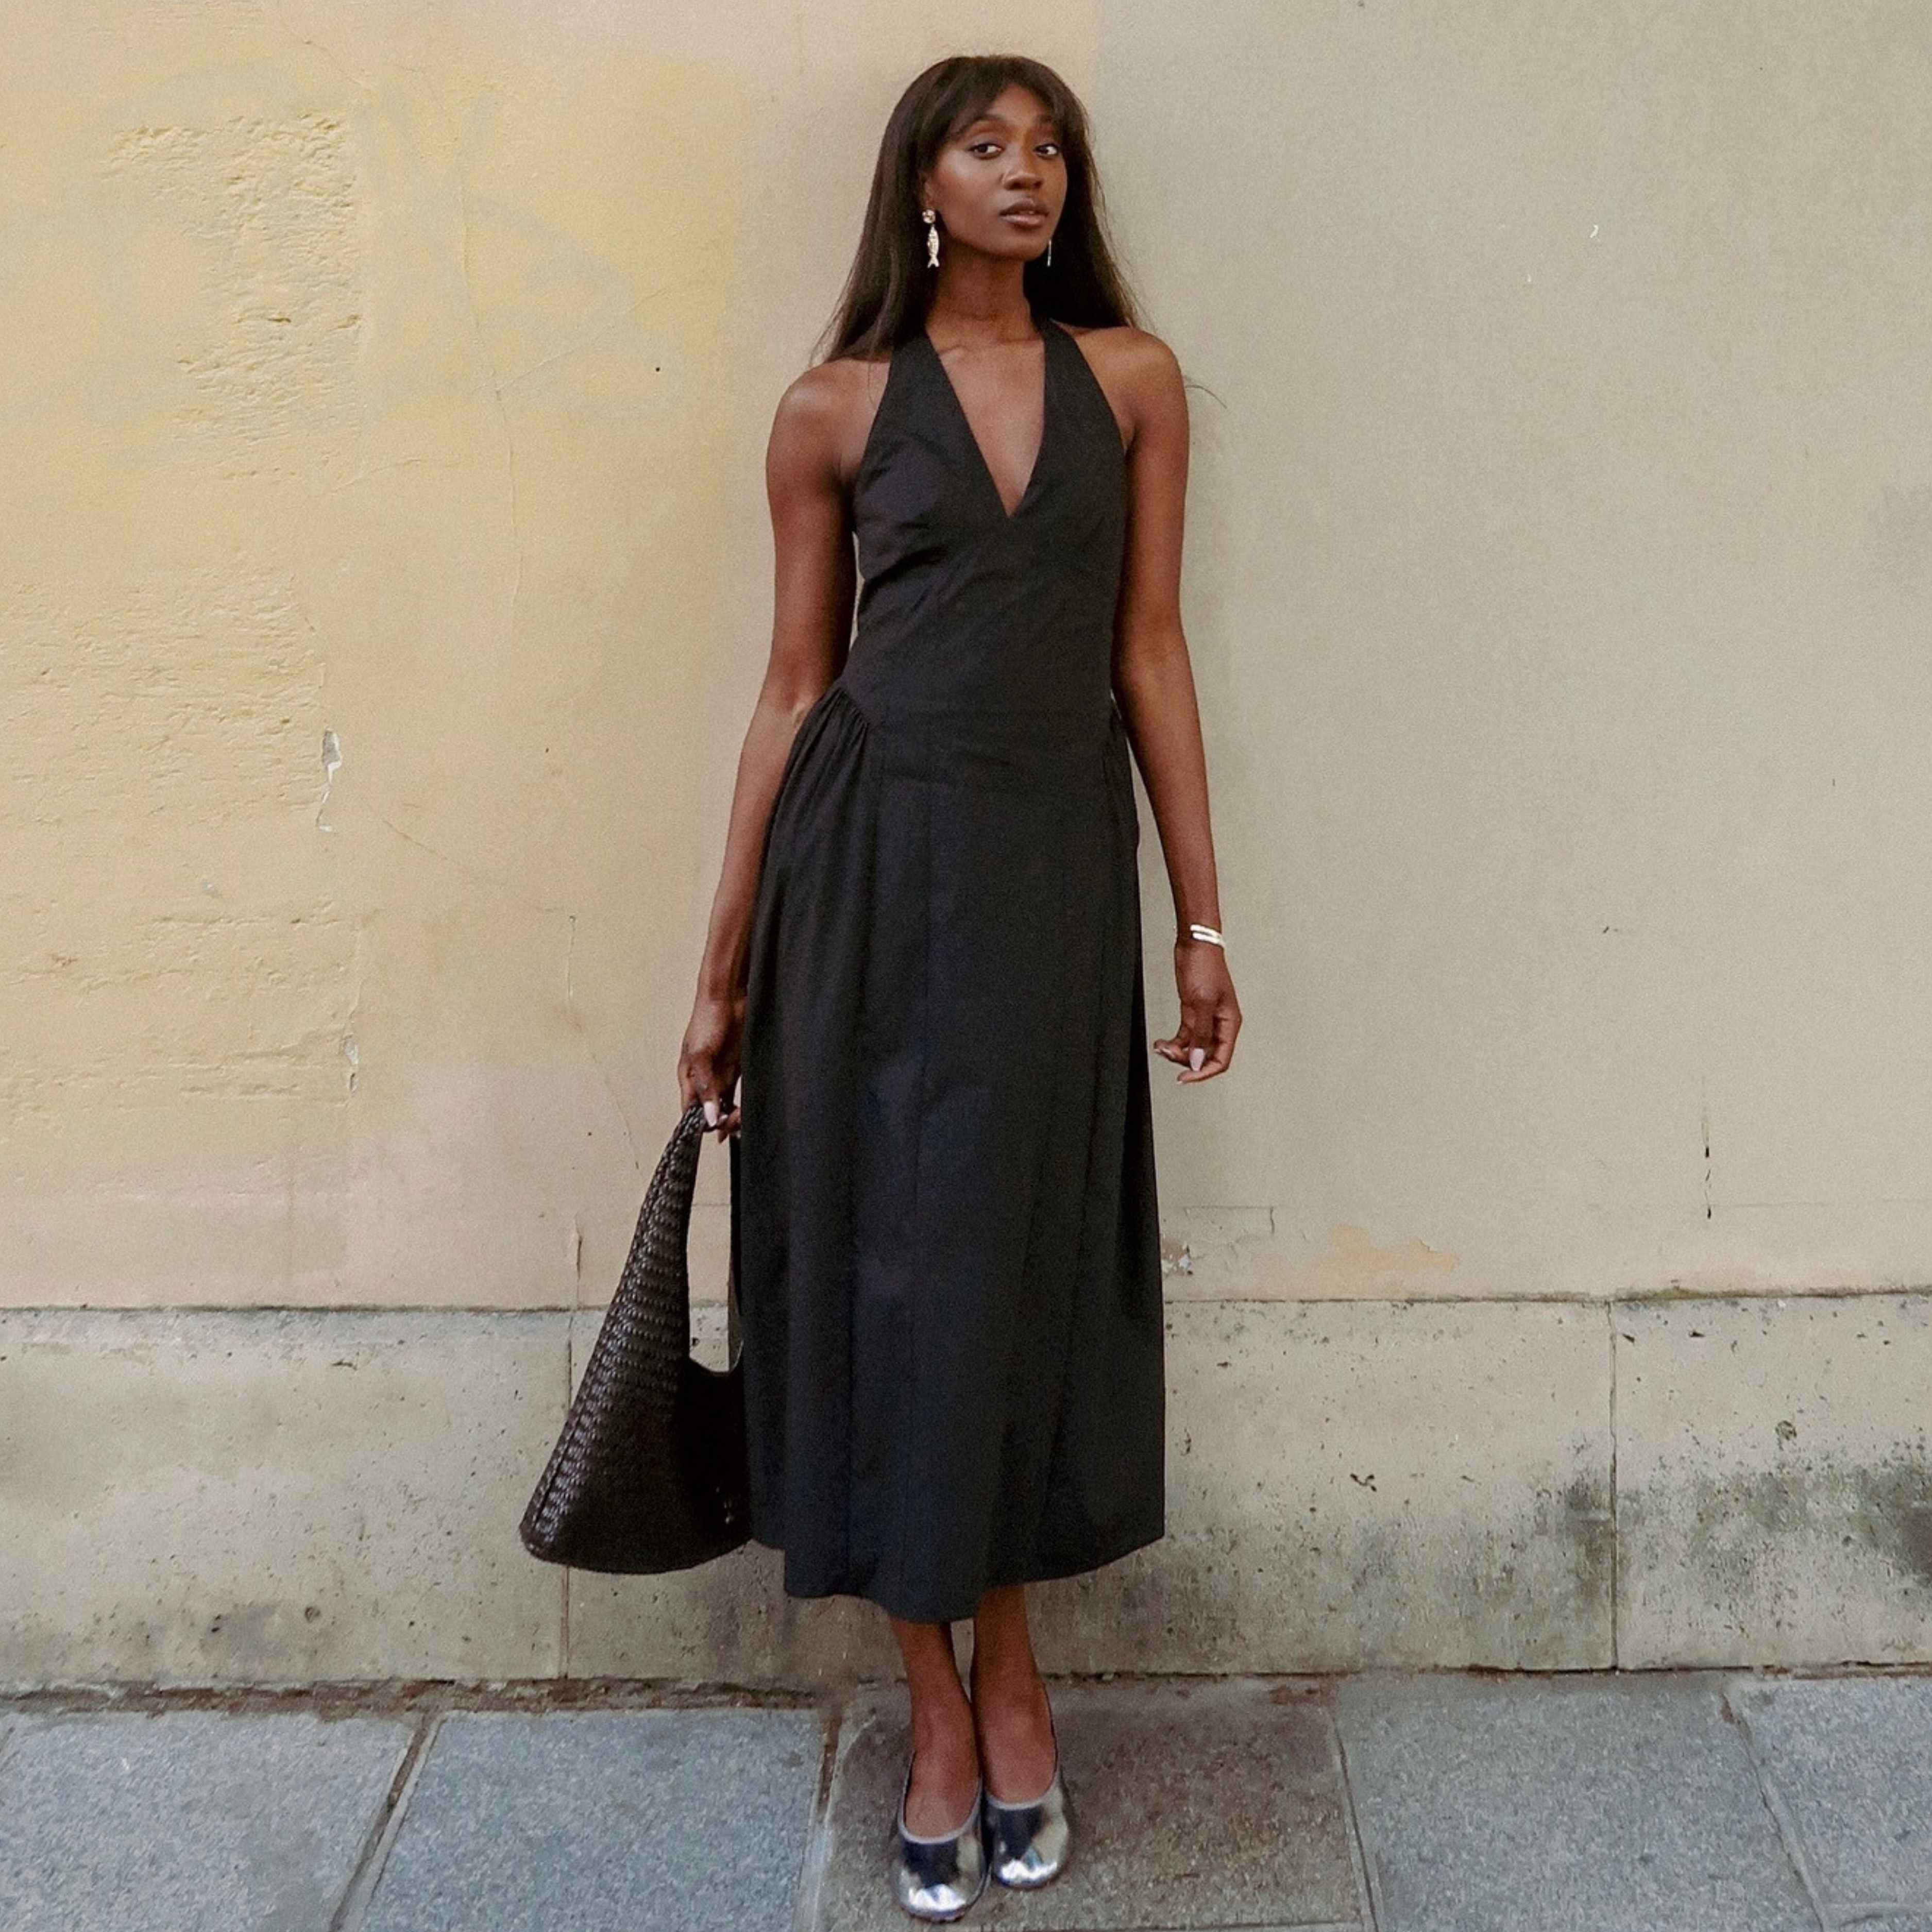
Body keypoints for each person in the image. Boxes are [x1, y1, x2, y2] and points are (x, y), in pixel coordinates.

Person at [678, 53, 1240, 1922]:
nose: (1030, 171)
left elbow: (1148, 650)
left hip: (1046, 880)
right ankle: (948, 1705)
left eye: (1050, 143)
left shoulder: (1134, 384)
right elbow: (789, 692)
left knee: (1005, 1275)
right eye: (987, 144)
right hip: (861, 878)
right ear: (919, 181)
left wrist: (1202, 920)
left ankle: (1013, 1668)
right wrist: (722, 968)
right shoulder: (830, 411)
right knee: (887, 1286)